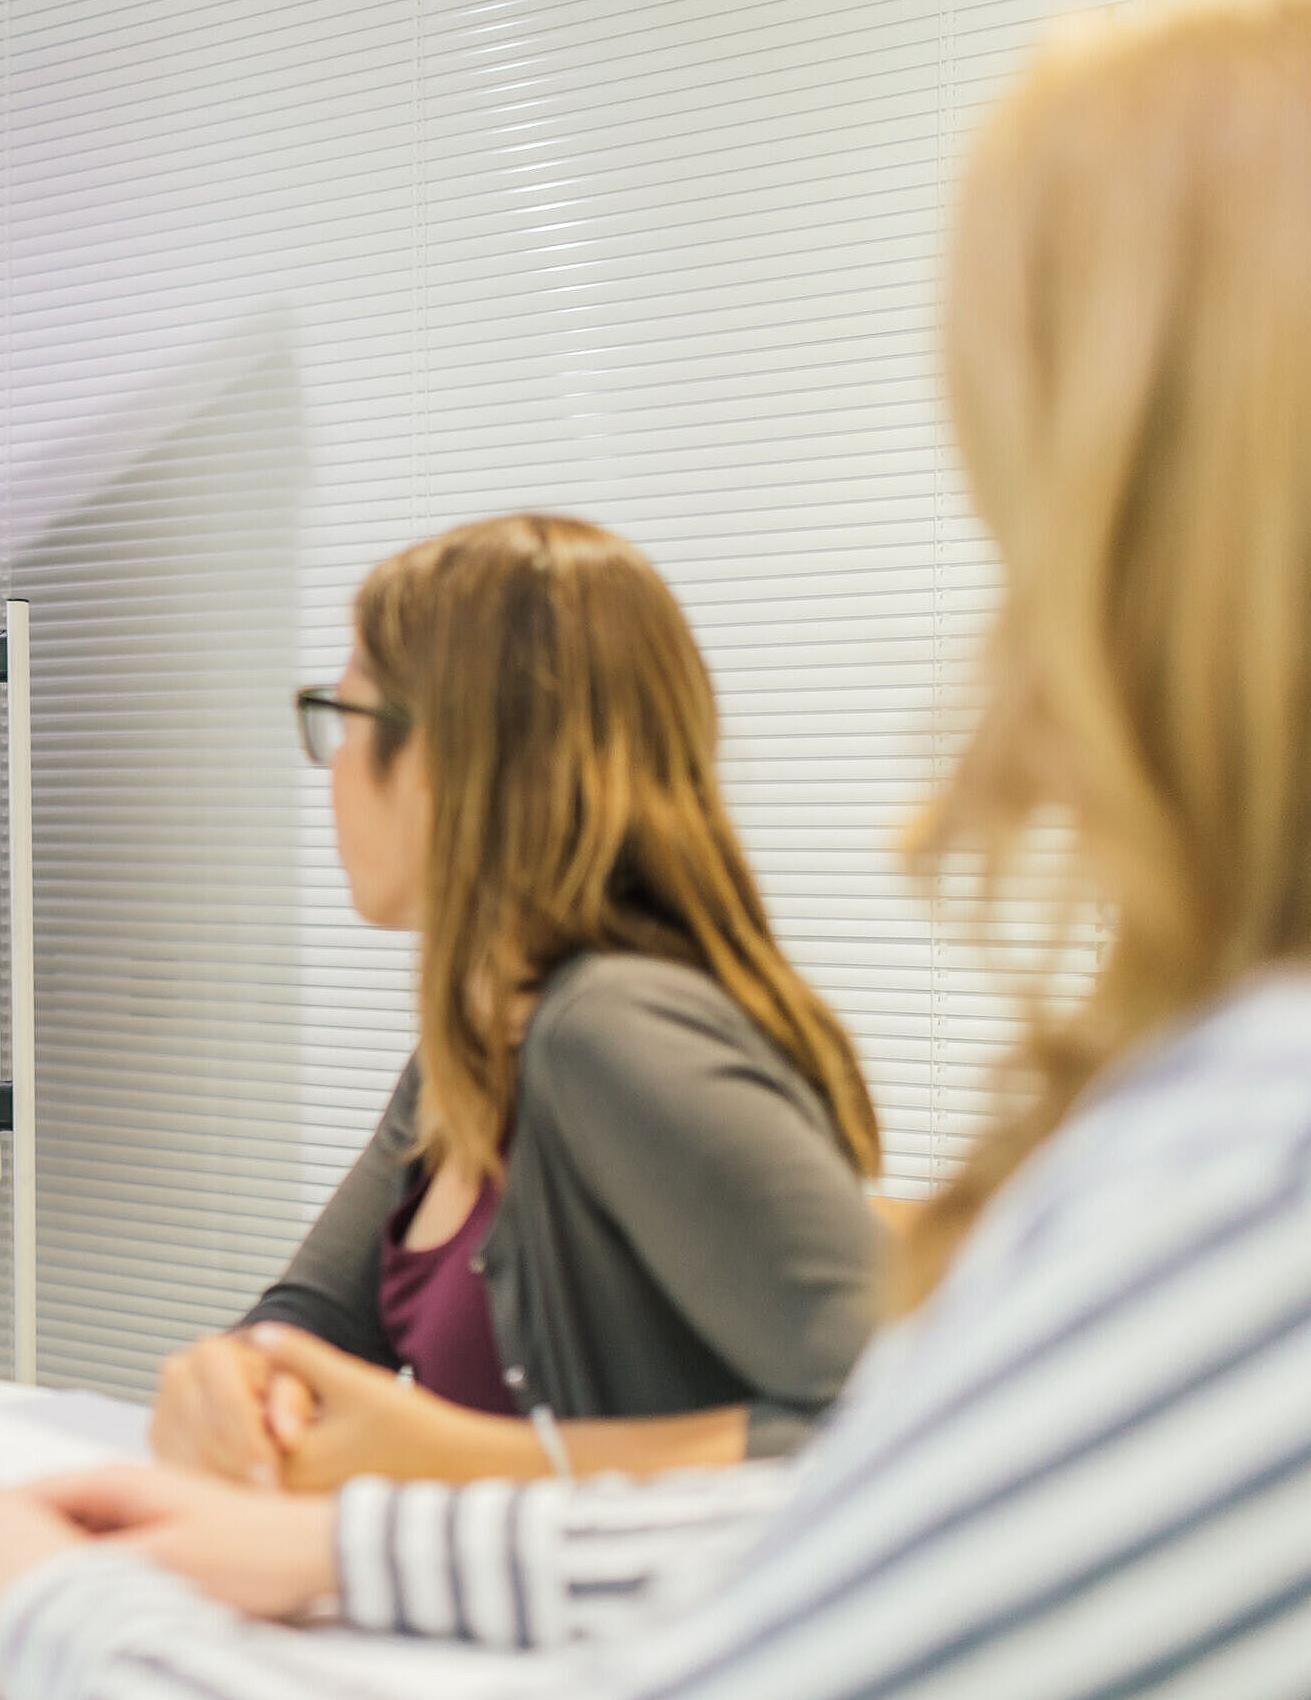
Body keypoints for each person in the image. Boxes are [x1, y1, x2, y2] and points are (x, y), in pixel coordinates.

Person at [0, 0, 1311, 1700]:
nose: (997, 661)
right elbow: (902, 1522)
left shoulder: (1277, 1171)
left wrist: (39, 1612)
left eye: (1035, 523)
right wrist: (335, 1531)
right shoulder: (491, 1033)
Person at [153, 515, 885, 1490]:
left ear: (464, 760)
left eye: (347, 717)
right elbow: (319, 1319)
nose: (328, 770)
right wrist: (240, 1380)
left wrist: (471, 1461)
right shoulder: (465, 1048)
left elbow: (896, 1418)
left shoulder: (610, 1035)